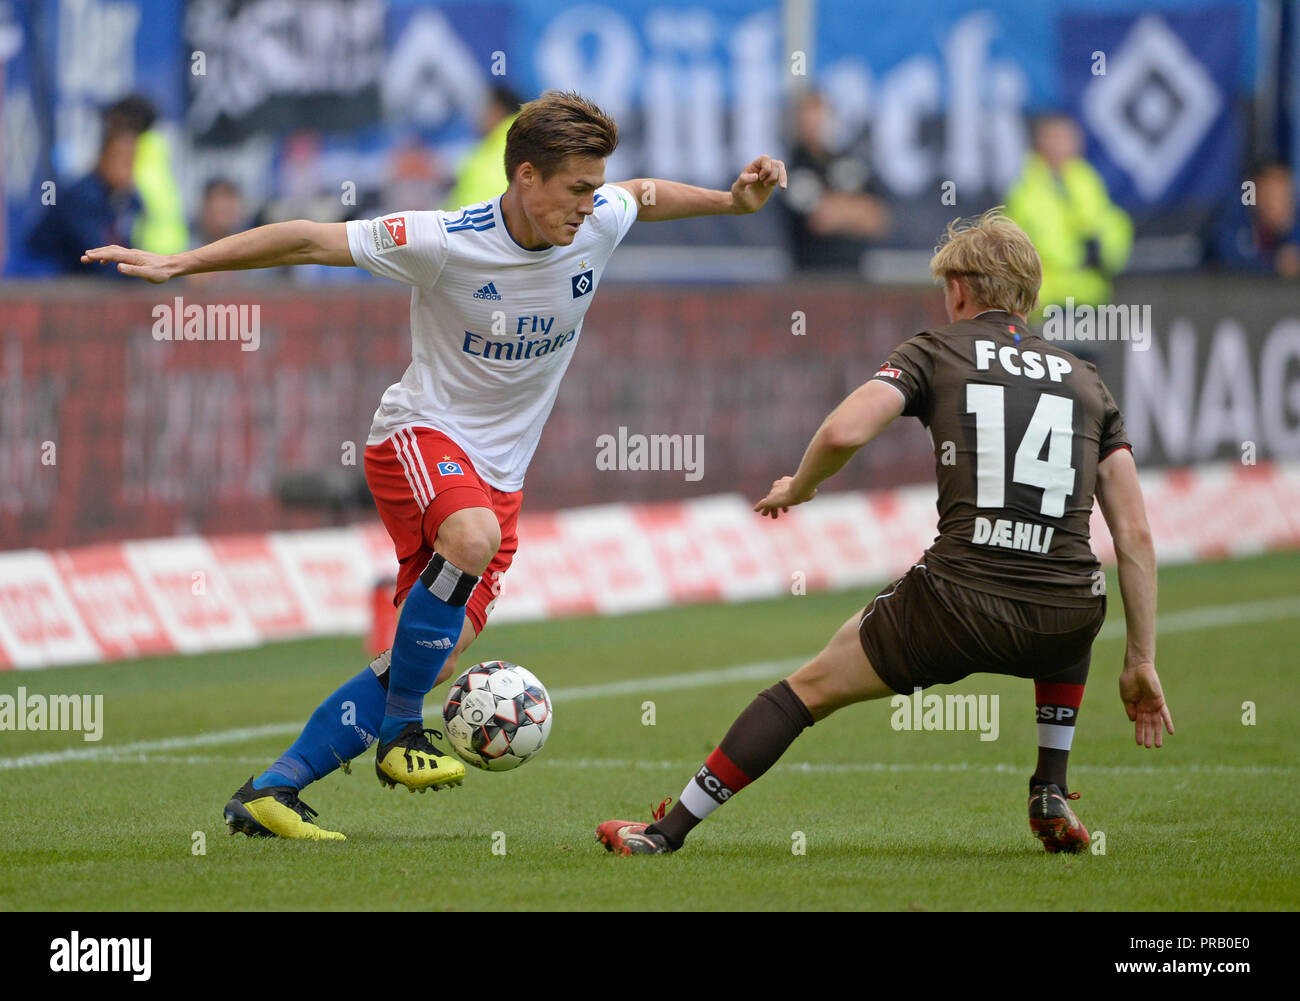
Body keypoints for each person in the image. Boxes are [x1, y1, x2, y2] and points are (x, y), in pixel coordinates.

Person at [83, 90, 787, 840]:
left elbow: (642, 196)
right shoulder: (445, 239)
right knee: (470, 542)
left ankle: (272, 789)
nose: (591, 204)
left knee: (432, 657)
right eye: (577, 188)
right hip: (418, 439)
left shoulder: (599, 218)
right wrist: (183, 262)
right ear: (526, 177)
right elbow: (309, 241)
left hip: (499, 480)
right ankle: (398, 738)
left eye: (595, 188)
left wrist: (730, 202)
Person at [597, 208, 1173, 856]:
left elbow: (845, 429)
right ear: (1030, 295)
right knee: (1067, 580)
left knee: (805, 691)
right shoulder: (1086, 379)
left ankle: (665, 833)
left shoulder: (936, 348)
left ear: (959, 288)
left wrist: (802, 485)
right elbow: (1134, 535)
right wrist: (1141, 659)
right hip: (1063, 615)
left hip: (954, 604)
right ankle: (1049, 785)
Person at [1004, 112, 1132, 318]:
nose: (1061, 145)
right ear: (1040, 143)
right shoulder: (1025, 189)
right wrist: (1080, 256)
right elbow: (1031, 239)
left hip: (1090, 300)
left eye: (1067, 138)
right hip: (1047, 303)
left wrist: (1105, 251)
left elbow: (1113, 225)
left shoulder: (1088, 182)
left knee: (1089, 350)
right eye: (1054, 138)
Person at [22, 97, 148, 277]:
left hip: (78, 283)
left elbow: (129, 250)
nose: (129, 171)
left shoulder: (128, 199)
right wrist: (143, 273)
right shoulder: (81, 197)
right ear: (103, 157)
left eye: (133, 162)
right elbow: (99, 260)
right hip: (39, 276)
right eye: (123, 161)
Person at [782, 89, 891, 272]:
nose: (814, 122)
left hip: (855, 278)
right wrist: (854, 209)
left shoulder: (851, 161)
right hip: (811, 279)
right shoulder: (794, 167)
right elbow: (820, 219)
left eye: (819, 112)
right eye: (807, 114)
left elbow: (877, 219)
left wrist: (838, 208)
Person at [1210, 160, 1300, 278]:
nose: (1279, 206)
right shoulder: (1233, 221)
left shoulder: (1294, 221)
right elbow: (1228, 259)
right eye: (1272, 197)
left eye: (1285, 198)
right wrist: (1274, 265)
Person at [445, 86, 522, 210]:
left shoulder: (519, 145)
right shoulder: (488, 146)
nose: (477, 115)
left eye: (483, 108)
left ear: (497, 110)